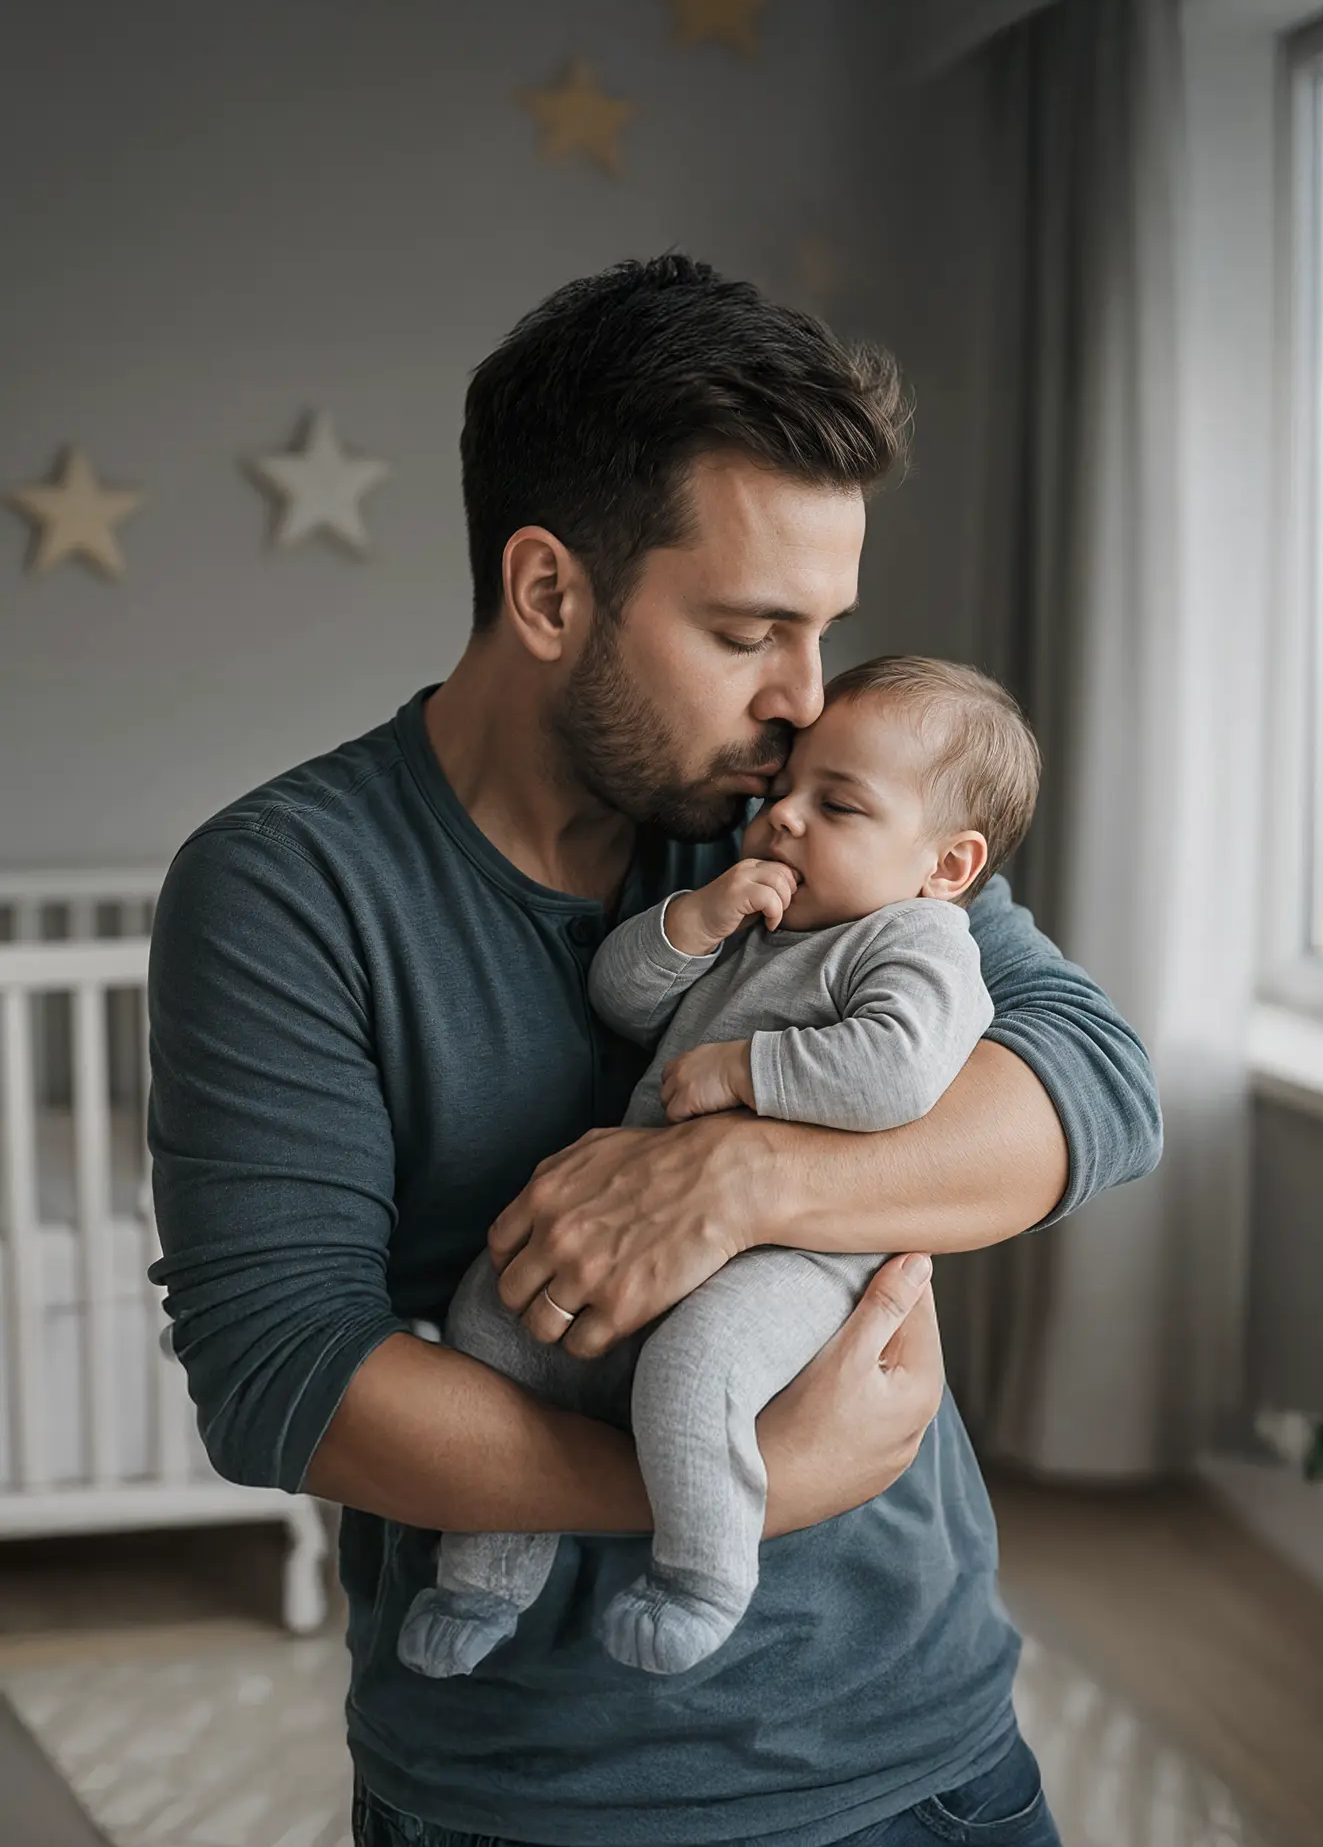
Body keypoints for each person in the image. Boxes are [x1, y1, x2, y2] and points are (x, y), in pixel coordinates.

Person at [148, 255, 1161, 1847]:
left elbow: (1095, 1080)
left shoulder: (804, 809)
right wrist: (729, 1488)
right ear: (550, 594)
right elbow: (280, 1374)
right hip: (537, 1821)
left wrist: (753, 1172)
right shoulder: (290, 886)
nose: (809, 699)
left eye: (824, 632)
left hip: (931, 1751)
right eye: (752, 630)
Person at [399, 655, 1033, 1685]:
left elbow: (895, 1072)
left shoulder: (917, 943)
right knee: (488, 1323)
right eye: (785, 791)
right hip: (650, 1223)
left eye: (836, 804)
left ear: (947, 865)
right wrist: (690, 927)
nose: (782, 819)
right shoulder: (763, 918)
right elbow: (622, 998)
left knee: (695, 1367)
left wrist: (748, 1069)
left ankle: (700, 1572)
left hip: (799, 1258)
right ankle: (484, 1571)